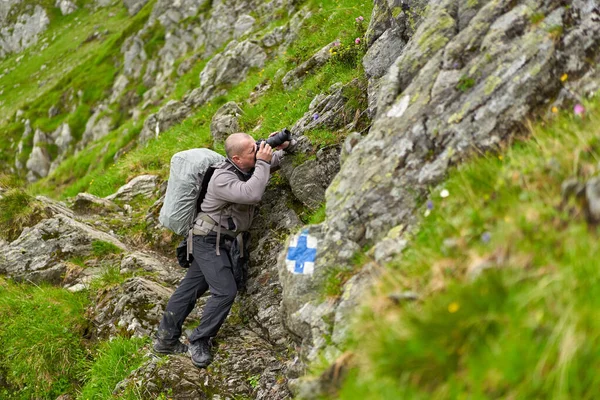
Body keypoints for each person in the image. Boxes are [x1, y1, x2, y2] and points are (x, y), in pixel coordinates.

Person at [153, 132, 294, 368]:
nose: (258, 150)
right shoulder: (222, 178)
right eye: (252, 149)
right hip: (206, 239)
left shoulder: (247, 167)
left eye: (257, 145)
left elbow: (272, 163)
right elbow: (253, 193)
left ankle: (165, 341)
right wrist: (262, 162)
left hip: (218, 239)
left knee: (190, 289)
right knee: (225, 291)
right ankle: (200, 339)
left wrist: (285, 147)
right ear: (237, 159)